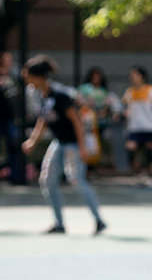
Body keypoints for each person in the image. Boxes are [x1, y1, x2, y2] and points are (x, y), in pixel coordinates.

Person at [20, 56, 108, 235]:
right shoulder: (42, 95)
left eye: (28, 76)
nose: (26, 80)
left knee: (77, 180)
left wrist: (83, 147)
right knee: (47, 180)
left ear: (38, 76)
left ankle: (99, 220)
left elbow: (76, 120)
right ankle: (59, 223)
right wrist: (33, 141)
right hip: (59, 143)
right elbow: (43, 120)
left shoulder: (59, 95)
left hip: (73, 144)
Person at [123, 66, 152, 187]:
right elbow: (126, 107)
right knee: (131, 149)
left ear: (141, 76)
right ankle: (138, 174)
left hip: (148, 127)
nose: (132, 77)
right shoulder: (129, 92)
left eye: (134, 74)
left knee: (150, 152)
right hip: (134, 127)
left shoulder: (151, 90)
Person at [0, 52, 26, 186]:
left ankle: (16, 177)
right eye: (7, 60)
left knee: (14, 148)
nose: (10, 62)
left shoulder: (14, 77)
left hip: (10, 118)